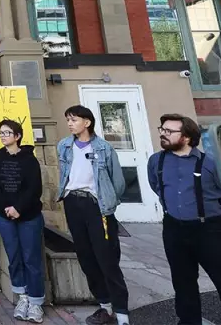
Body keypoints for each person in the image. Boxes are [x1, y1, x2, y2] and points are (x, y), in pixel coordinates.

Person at [148, 114, 221, 325]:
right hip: (174, 229)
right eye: (162, 130)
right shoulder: (156, 161)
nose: (163, 134)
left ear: (186, 137)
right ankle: (188, 321)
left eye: (169, 131)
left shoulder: (210, 163)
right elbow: (156, 185)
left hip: (209, 230)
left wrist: (215, 215)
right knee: (183, 282)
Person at [57, 105, 129, 325]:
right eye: (68, 120)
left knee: (106, 257)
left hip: (96, 205)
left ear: (87, 122)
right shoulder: (65, 146)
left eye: (74, 120)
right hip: (73, 202)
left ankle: (122, 312)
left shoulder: (104, 148)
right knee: (86, 256)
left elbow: (118, 182)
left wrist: (107, 202)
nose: (70, 123)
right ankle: (104, 306)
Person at [0, 119, 45, 323]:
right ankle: (22, 297)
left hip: (28, 215)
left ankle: (36, 302)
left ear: (17, 136)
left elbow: (34, 188)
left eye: (6, 133)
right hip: (5, 216)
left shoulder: (29, 160)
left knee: (31, 258)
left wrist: (19, 208)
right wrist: (6, 208)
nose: (2, 136)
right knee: (14, 257)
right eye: (0, 133)